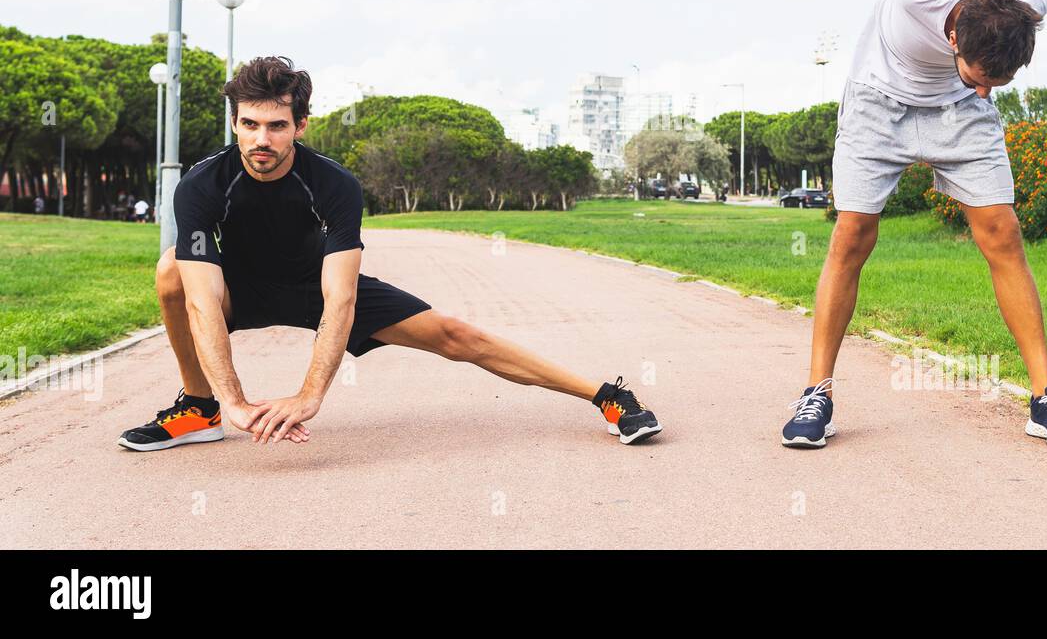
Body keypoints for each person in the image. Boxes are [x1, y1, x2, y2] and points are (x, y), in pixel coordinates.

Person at [119, 56, 661, 452]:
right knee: (171, 270)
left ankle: (608, 396)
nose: (262, 138)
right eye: (250, 124)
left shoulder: (333, 185)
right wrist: (234, 400)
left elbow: (341, 296)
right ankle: (200, 407)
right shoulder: (200, 185)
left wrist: (310, 395)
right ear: (235, 122)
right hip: (241, 287)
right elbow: (201, 300)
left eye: (277, 126)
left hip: (316, 288)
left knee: (456, 335)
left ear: (299, 126)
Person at [781, 0, 1047, 451]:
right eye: (984, 77)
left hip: (952, 115)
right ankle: (817, 393)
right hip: (880, 98)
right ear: (956, 41)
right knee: (852, 233)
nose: (989, 92)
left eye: (999, 85)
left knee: (1001, 231)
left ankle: (1045, 397)